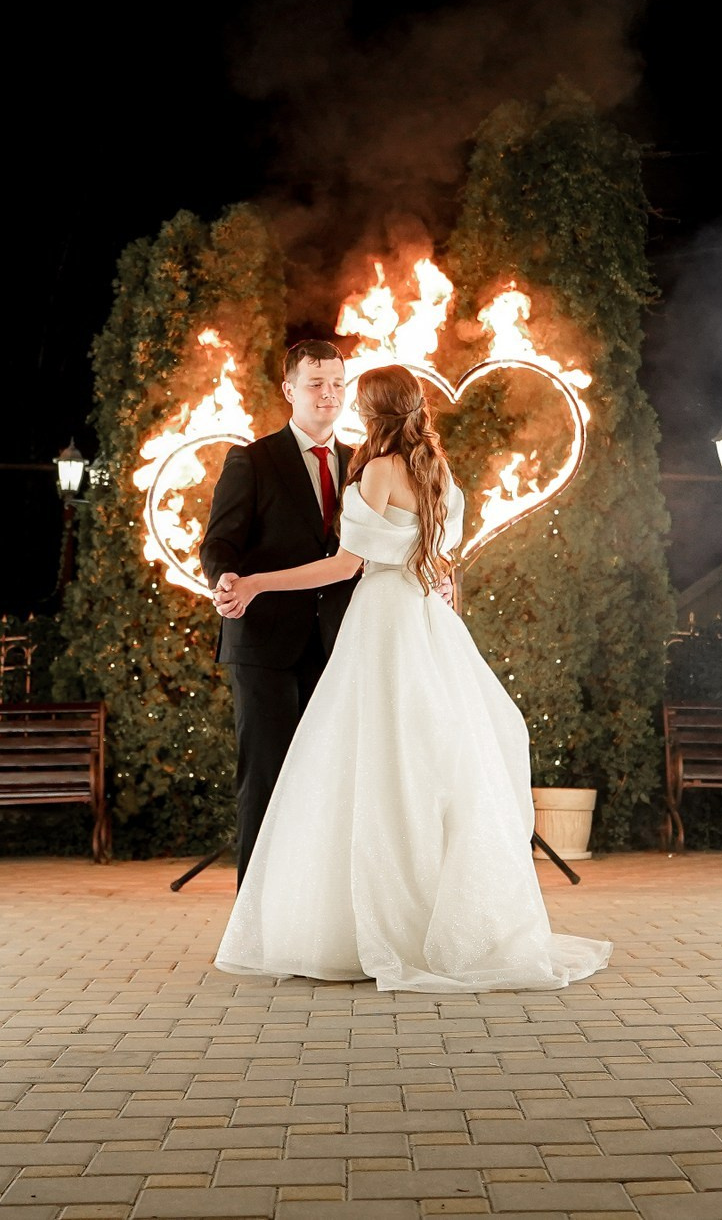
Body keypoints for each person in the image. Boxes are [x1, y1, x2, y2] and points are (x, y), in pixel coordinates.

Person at [209, 363, 610, 991]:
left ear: (371, 411)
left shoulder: (375, 469)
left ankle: (363, 923)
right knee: (429, 764)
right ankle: (436, 918)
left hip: (382, 622)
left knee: (367, 764)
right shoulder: (437, 471)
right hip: (429, 622)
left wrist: (258, 582)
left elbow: (343, 566)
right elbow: (440, 552)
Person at [200, 338, 356, 884]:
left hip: (340, 647)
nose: (329, 394)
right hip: (265, 644)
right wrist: (223, 580)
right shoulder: (252, 459)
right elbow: (219, 543)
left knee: (331, 782)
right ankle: (256, 922)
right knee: (265, 779)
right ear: (289, 389)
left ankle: (316, 913)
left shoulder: (362, 465)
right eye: (316, 383)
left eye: (337, 383)